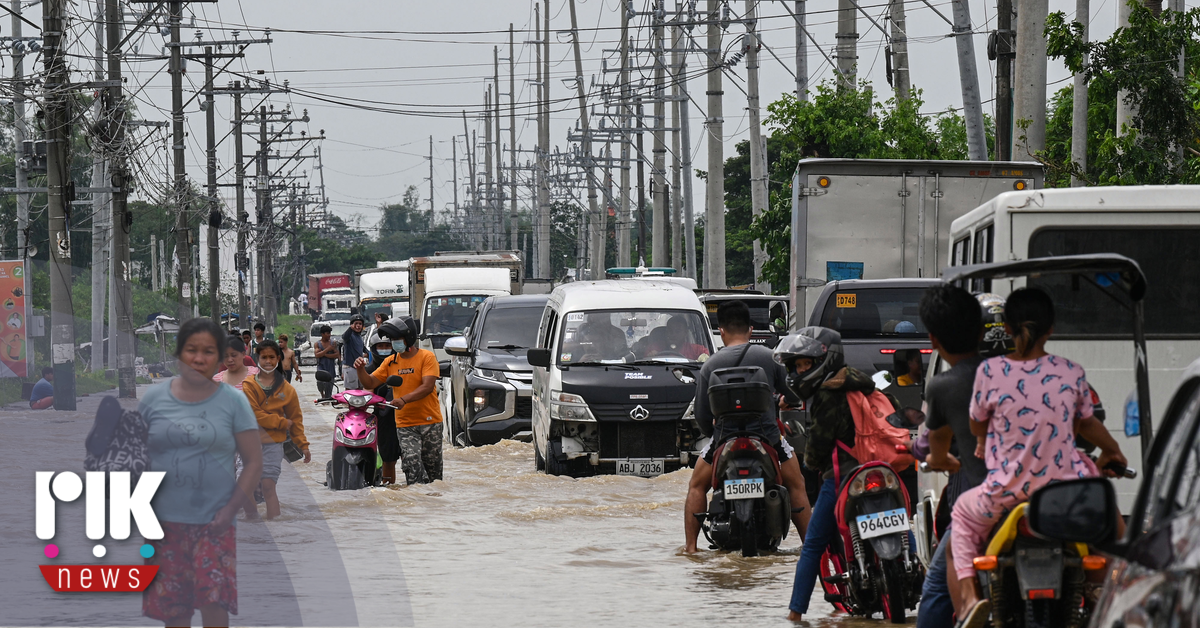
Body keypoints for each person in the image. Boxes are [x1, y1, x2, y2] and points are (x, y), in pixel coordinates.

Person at [950, 288, 1129, 627]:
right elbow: (1086, 423)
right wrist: (1113, 451)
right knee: (1111, 519)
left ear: (1007, 328)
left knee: (962, 516)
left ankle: (971, 597)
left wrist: (982, 437)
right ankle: (1112, 591)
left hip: (1005, 493)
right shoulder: (1070, 371)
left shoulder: (990, 372)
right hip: (1068, 494)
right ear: (1051, 328)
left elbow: (976, 420)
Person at [139, 318, 262, 628]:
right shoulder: (154, 399)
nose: (199, 357)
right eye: (191, 349)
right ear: (180, 353)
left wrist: (231, 509)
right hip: (164, 525)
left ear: (218, 357)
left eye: (208, 351)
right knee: (174, 611)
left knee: (214, 602)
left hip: (215, 524)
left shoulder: (234, 401)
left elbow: (253, 462)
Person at [779, 326, 905, 622]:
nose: (799, 371)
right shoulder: (865, 384)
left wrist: (810, 463)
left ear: (825, 360)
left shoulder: (826, 394)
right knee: (902, 529)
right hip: (883, 469)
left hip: (843, 476)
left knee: (812, 545)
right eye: (796, 365)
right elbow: (894, 413)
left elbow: (819, 445)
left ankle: (795, 613)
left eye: (804, 364)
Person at [684, 301, 810, 553]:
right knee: (797, 485)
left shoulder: (709, 365)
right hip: (769, 439)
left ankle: (690, 548)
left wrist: (715, 437)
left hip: (724, 440)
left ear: (721, 330)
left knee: (697, 486)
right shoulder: (770, 357)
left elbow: (701, 415)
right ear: (750, 329)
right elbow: (794, 394)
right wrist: (785, 401)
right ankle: (811, 547)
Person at [914, 285, 988, 628]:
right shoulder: (1018, 373)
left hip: (988, 503)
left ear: (933, 340)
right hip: (1055, 495)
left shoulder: (944, 386)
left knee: (937, 588)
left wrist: (949, 462)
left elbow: (935, 450)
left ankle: (969, 601)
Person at [354, 317, 443, 485]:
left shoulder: (427, 357)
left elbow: (427, 386)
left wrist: (403, 399)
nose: (394, 343)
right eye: (392, 340)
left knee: (434, 473)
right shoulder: (390, 362)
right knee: (411, 463)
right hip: (405, 424)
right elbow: (370, 382)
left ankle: (432, 505)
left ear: (408, 339)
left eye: (397, 339)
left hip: (430, 422)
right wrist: (360, 370)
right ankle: (415, 499)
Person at [242, 340, 310, 519]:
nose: (267, 361)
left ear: (278, 359)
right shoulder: (249, 385)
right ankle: (253, 521)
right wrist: (280, 422)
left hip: (273, 444)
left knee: (268, 486)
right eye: (263, 357)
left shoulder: (287, 390)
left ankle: (275, 526)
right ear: (257, 359)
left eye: (271, 357)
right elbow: (253, 413)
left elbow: (295, 419)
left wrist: (303, 445)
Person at [365, 331, 401, 484]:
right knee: (388, 459)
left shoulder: (400, 366)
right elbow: (366, 394)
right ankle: (390, 486)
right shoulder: (368, 371)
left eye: (388, 346)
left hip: (405, 415)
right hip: (384, 418)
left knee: (411, 457)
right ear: (374, 349)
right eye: (381, 346)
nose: (385, 349)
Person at [342, 314, 366, 390]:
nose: (358, 326)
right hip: (350, 367)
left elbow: (364, 349)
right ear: (352, 325)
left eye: (360, 324)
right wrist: (350, 329)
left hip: (359, 367)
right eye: (356, 324)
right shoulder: (349, 336)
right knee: (351, 391)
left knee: (360, 389)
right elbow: (344, 337)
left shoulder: (359, 337)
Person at [314, 325, 338, 399]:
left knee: (329, 386)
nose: (329, 335)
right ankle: (322, 395)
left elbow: (337, 355)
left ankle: (327, 399)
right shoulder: (317, 344)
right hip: (321, 366)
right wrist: (328, 349)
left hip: (330, 366)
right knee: (320, 383)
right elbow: (317, 355)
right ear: (322, 334)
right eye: (327, 333)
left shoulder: (333, 343)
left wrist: (324, 354)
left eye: (330, 333)